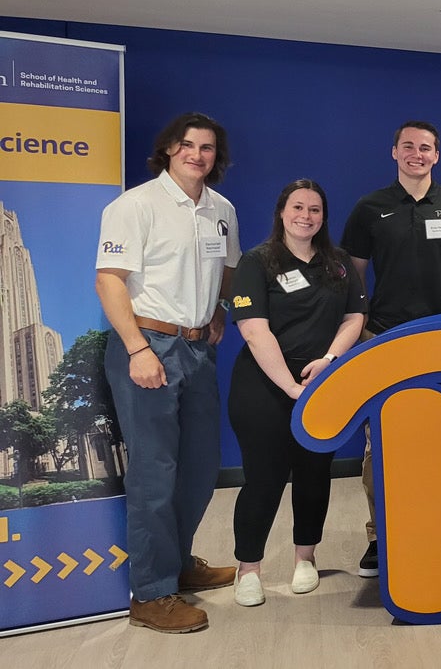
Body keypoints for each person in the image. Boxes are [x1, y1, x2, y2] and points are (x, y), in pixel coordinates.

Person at [95, 112, 240, 633]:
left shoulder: (222, 210)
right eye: (187, 145)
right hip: (148, 344)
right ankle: (152, 594)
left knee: (200, 468)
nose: (196, 155)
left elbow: (228, 269)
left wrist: (223, 309)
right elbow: (110, 279)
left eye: (206, 147)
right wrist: (137, 349)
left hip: (198, 351)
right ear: (168, 149)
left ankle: (179, 561)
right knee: (155, 474)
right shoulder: (135, 205)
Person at [340, 120, 441, 578]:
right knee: (379, 446)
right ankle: (381, 537)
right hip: (385, 339)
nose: (416, 154)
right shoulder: (370, 209)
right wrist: (361, 336)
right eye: (408, 147)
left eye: (425, 148)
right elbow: (352, 279)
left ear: (436, 156)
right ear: (394, 152)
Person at [228, 180, 366, 607]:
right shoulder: (257, 261)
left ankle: (305, 557)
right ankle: (248, 567)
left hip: (321, 383)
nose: (306, 216)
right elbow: (254, 330)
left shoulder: (339, 263)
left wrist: (328, 359)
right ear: (282, 212)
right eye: (298, 207)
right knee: (264, 479)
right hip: (263, 386)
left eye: (315, 210)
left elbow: (355, 316)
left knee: (313, 475)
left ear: (324, 216)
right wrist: (289, 386)